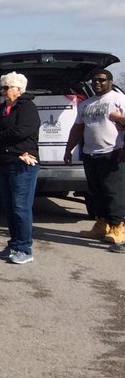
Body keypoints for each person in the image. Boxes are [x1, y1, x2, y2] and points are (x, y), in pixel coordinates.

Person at [0, 72, 40, 265]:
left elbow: (22, 131)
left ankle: (24, 248)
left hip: (22, 164)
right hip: (3, 162)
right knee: (9, 207)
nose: (4, 91)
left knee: (20, 207)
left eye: (7, 87)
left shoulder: (27, 107)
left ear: (19, 89)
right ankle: (14, 244)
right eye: (2, 87)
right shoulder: (2, 108)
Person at [64, 68, 125, 247]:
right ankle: (102, 224)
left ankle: (118, 226)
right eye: (94, 80)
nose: (97, 83)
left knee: (114, 192)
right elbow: (77, 128)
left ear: (110, 82)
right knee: (96, 191)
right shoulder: (86, 104)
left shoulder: (118, 99)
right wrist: (68, 150)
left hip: (114, 152)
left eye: (102, 80)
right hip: (91, 153)